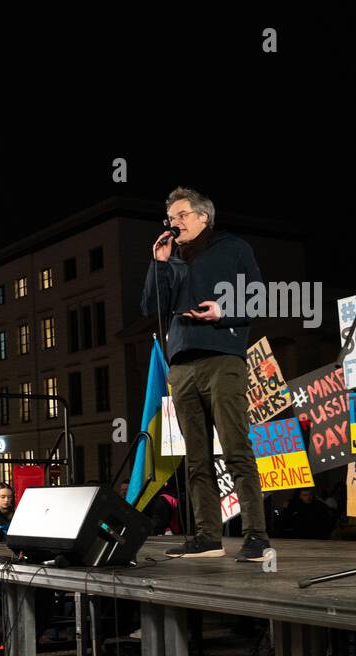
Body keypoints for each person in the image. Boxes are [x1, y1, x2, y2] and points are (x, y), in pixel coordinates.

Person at [142, 185, 270, 562]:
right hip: (181, 365)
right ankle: (207, 536)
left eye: (182, 215)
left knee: (235, 449)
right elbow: (151, 305)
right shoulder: (172, 258)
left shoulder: (233, 248)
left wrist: (223, 311)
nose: (175, 222)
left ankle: (256, 536)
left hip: (222, 357)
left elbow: (258, 297)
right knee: (195, 457)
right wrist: (159, 264)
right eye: (171, 218)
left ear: (203, 216)